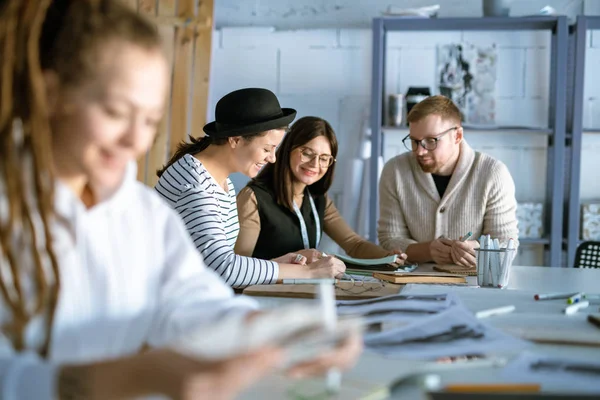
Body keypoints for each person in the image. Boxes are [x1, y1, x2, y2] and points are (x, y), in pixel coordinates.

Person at [0, 1, 360, 398]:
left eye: (151, 121)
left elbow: (191, 298)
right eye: (117, 112)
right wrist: (121, 377)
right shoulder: (11, 207)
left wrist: (278, 331)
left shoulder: (136, 210)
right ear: (51, 93)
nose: (136, 141)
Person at [155, 89, 346, 288]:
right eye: (266, 148)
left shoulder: (219, 181)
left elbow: (218, 264)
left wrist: (281, 263)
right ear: (236, 140)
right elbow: (223, 269)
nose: (272, 158)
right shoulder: (195, 184)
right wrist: (309, 271)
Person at [235, 116, 407, 264]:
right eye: (307, 153)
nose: (315, 164)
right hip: (261, 294)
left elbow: (353, 244)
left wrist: (387, 257)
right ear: (288, 150)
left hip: (300, 289)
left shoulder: (316, 198)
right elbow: (241, 265)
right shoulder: (253, 198)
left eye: (324, 158)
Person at [378, 95, 518, 268]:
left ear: (457, 136)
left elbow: (506, 244)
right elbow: (389, 238)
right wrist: (428, 250)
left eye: (431, 140)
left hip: (473, 286)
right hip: (414, 283)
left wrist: (478, 250)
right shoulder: (395, 170)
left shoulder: (493, 173)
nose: (420, 151)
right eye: (414, 141)